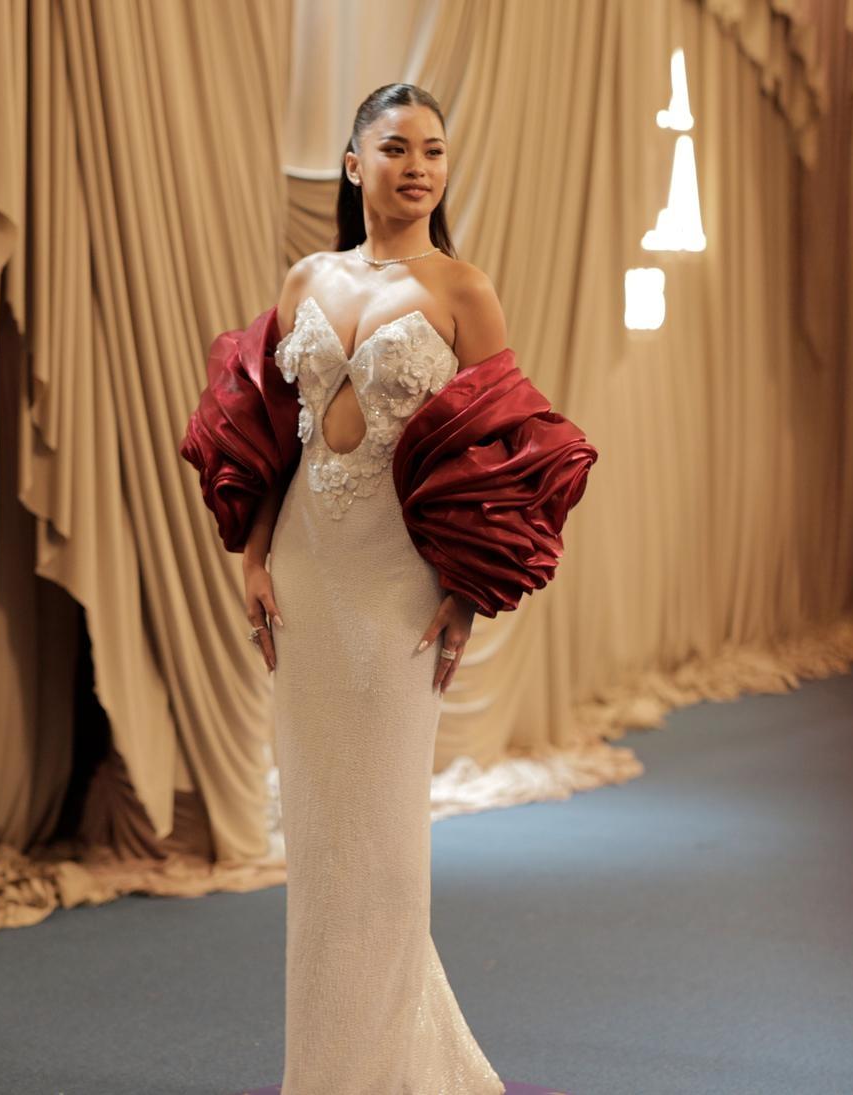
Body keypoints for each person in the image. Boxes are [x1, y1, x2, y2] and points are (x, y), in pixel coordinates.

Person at [181, 82, 596, 1094]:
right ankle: (332, 1069)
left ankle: (382, 1069)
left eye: (434, 151)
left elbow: (505, 451)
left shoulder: (464, 290)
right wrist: (251, 557)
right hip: (303, 576)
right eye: (397, 147)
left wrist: (467, 590)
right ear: (353, 164)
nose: (418, 167)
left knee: (385, 841)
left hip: (397, 583)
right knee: (321, 836)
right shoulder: (306, 278)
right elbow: (267, 436)